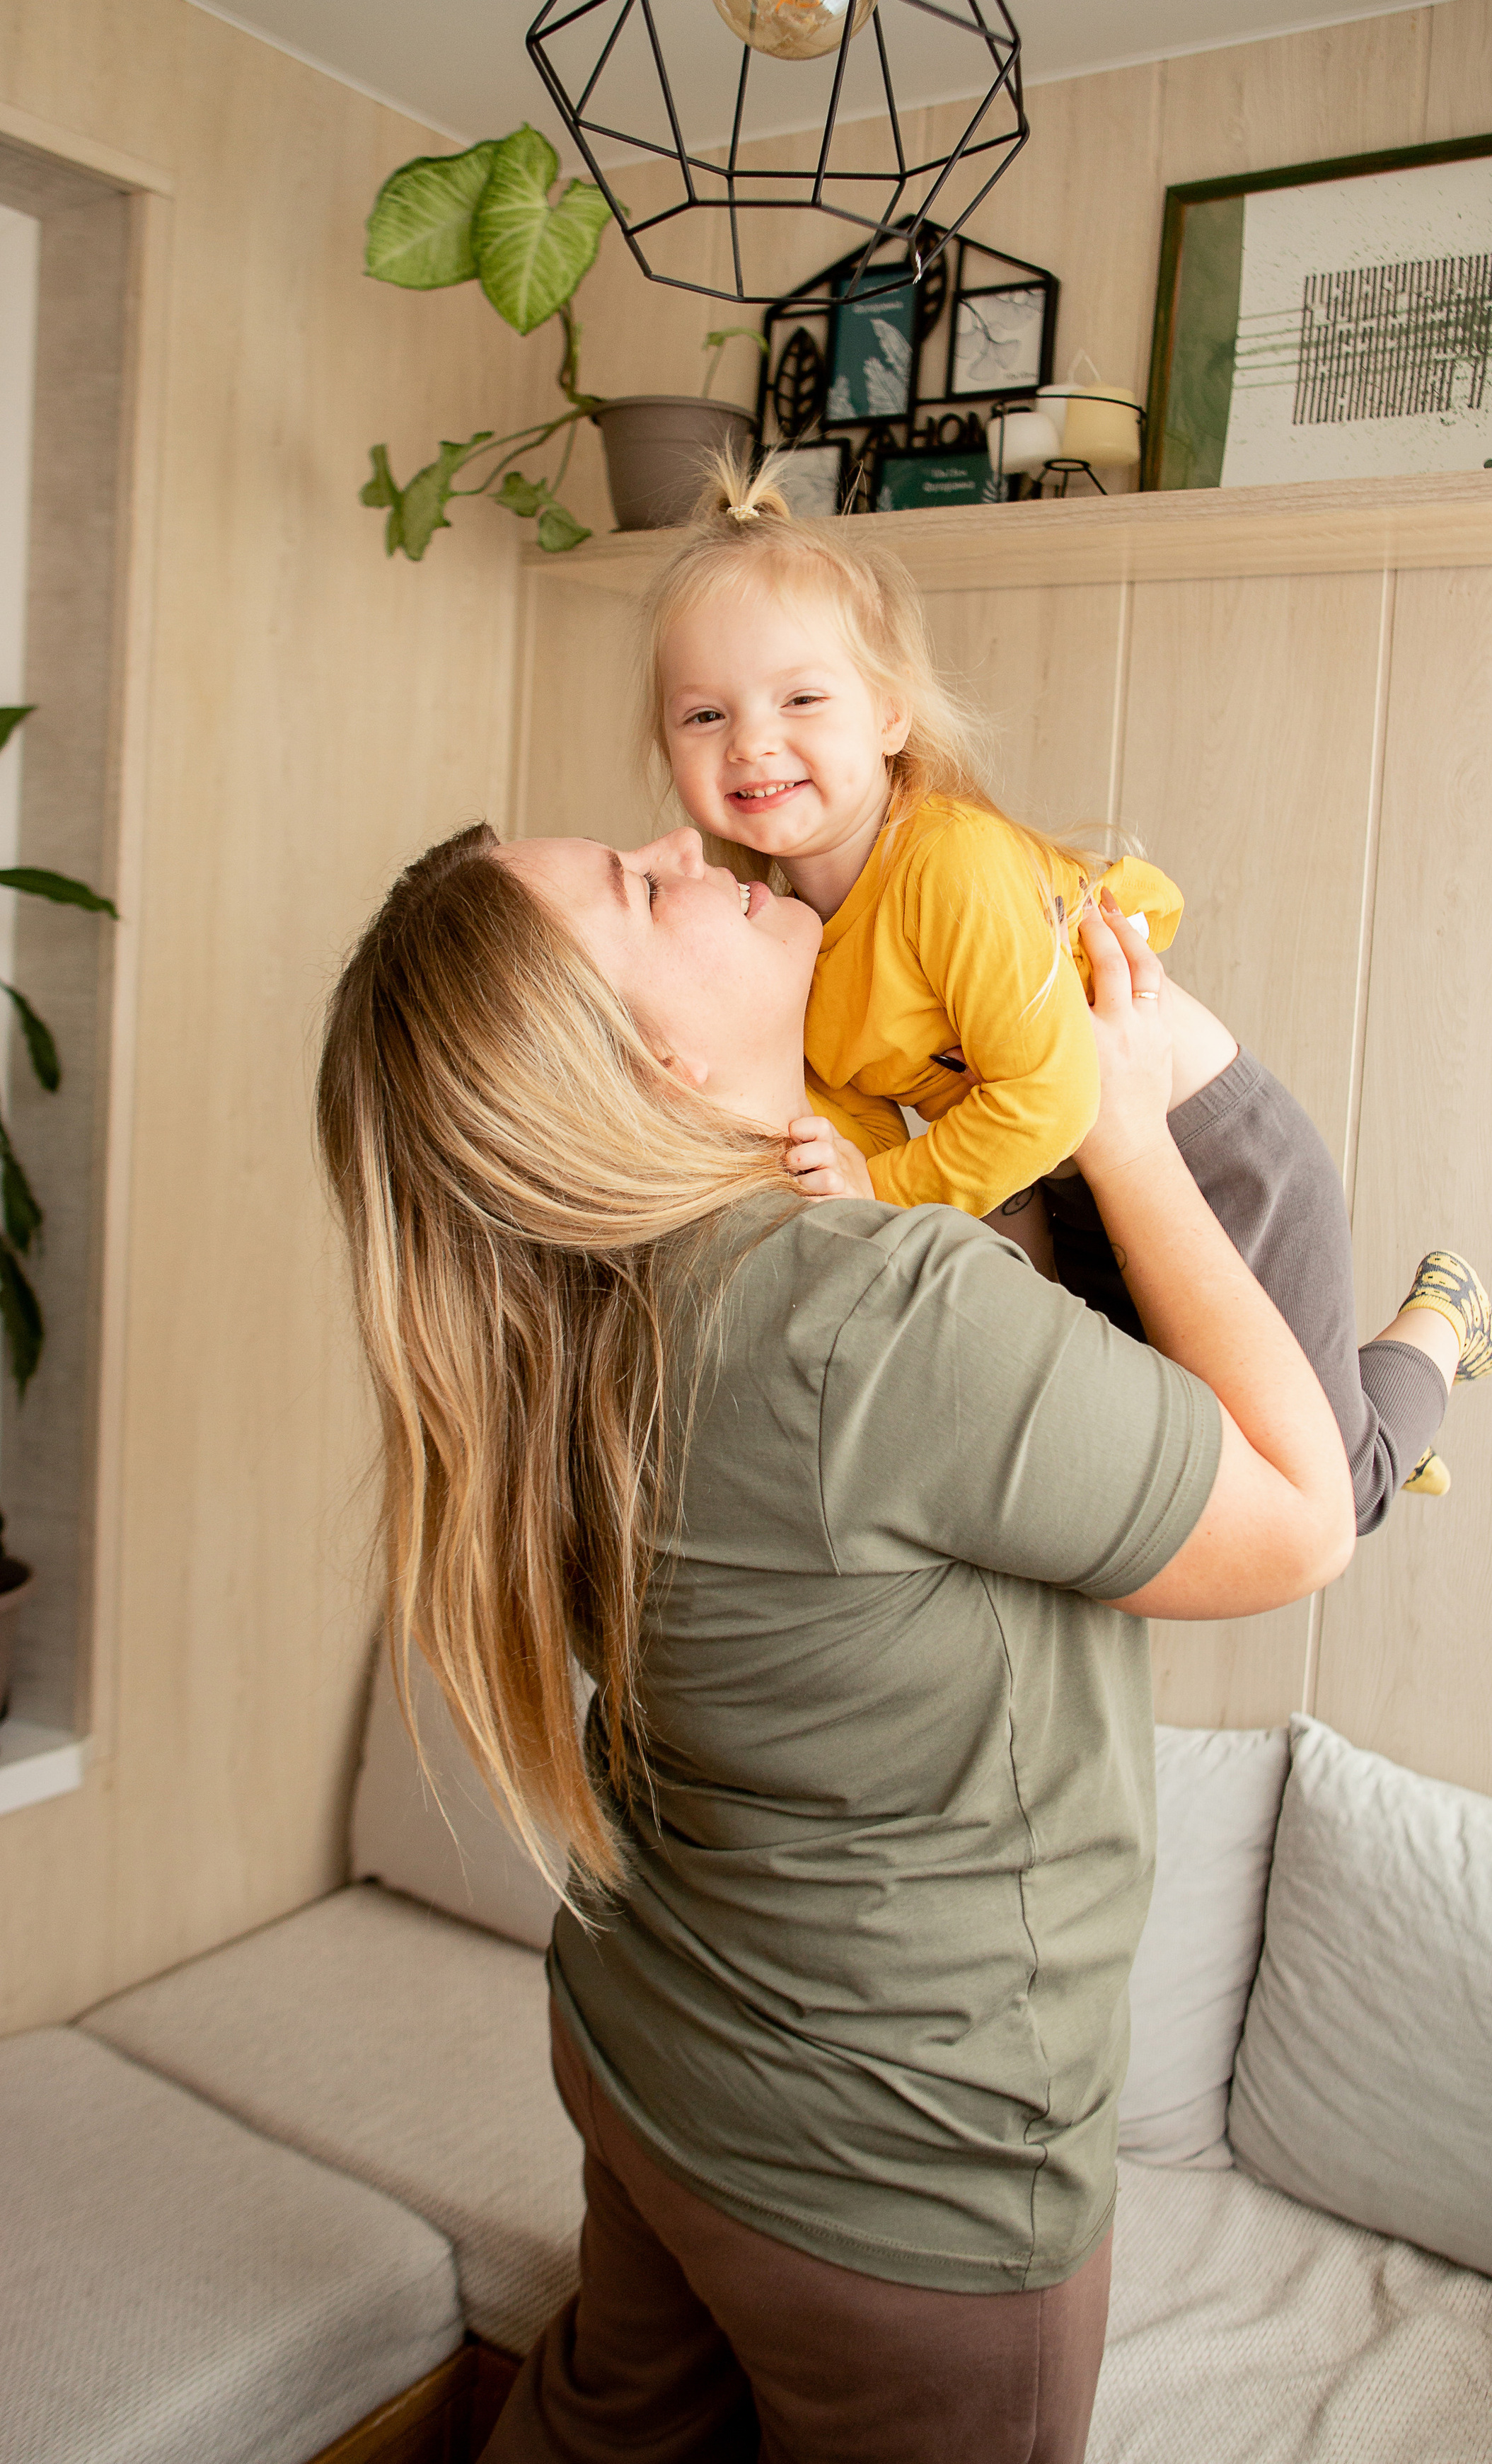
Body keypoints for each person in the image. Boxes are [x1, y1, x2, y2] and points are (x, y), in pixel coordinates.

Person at [316, 817, 1355, 2464]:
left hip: (648, 2054)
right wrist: (1119, 1117)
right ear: (647, 1062)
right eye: (645, 889)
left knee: (601, 2425)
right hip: (897, 2186)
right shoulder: (865, 1311)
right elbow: (1304, 1515)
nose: (691, 832)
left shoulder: (571, 1322)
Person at [641, 458, 1492, 1531]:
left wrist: (883, 1181)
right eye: (702, 715)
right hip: (1066, 1182)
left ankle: (1442, 1322)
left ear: (890, 719)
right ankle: (1378, 1413)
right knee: (1196, 1452)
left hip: (1212, 1154)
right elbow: (864, 1156)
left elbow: (1046, 1103)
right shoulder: (786, 942)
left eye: (802, 699)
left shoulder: (946, 867)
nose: (753, 741)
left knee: (1339, 1491)